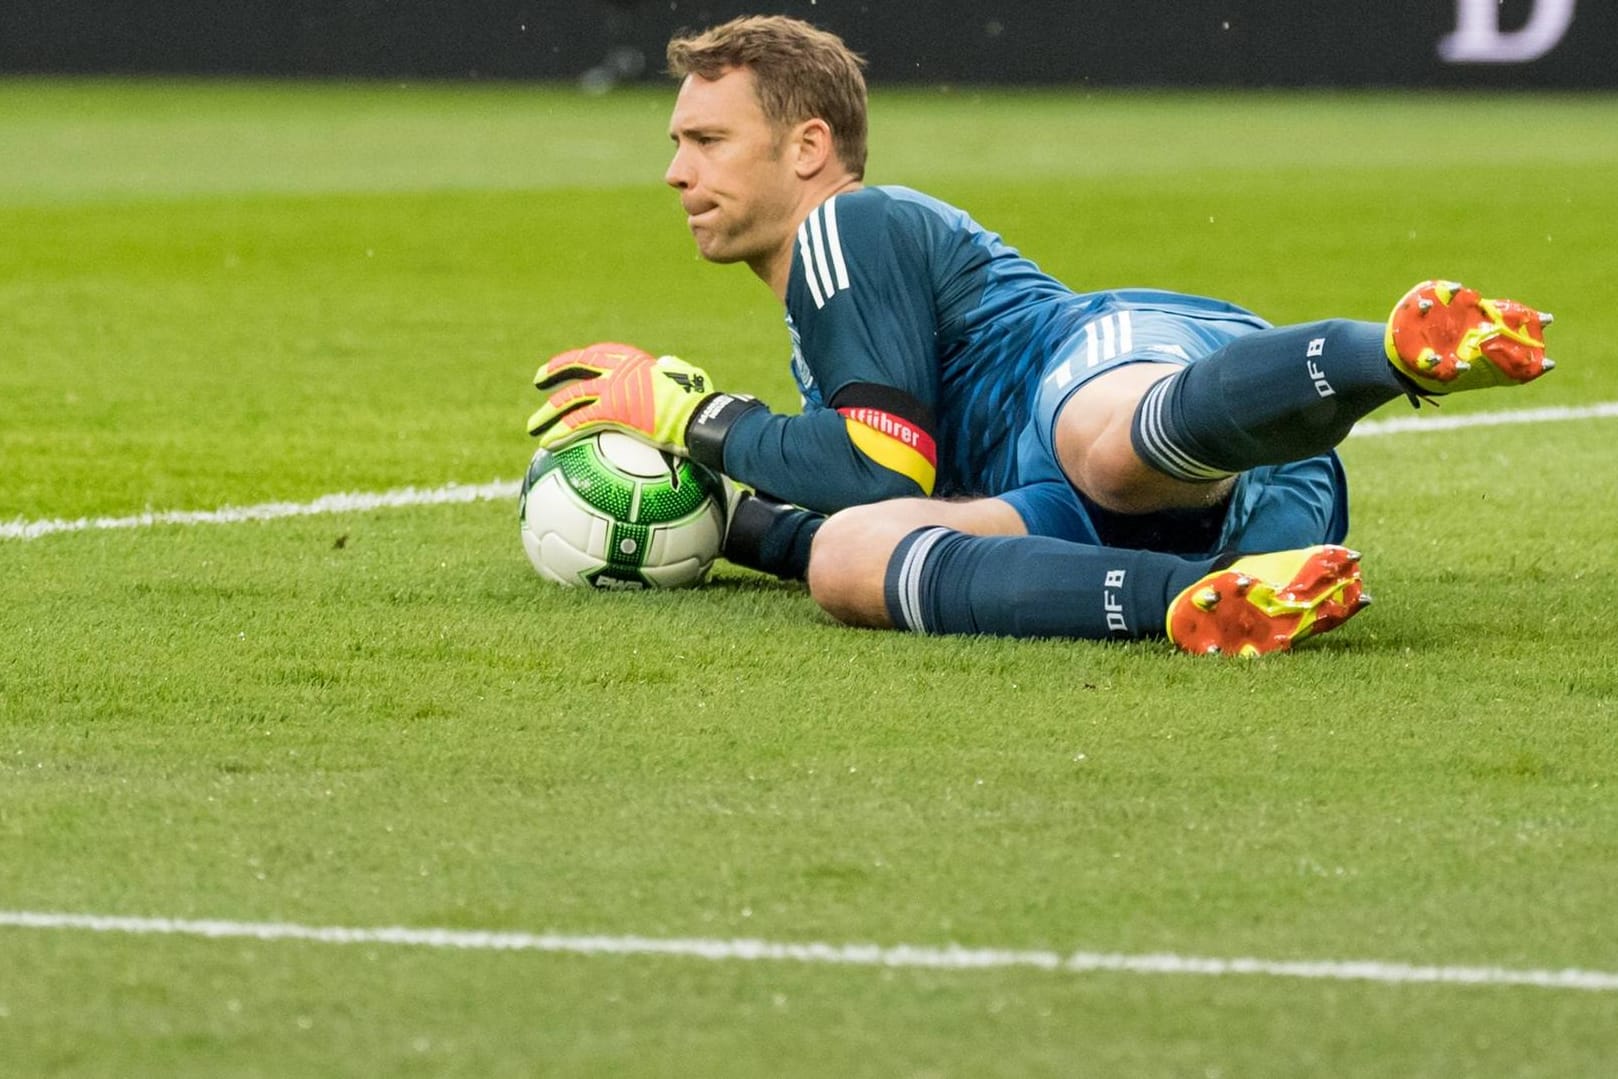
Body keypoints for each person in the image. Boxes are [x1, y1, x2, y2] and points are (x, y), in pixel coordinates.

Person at [525, 15, 1555, 656]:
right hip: (1203, 506)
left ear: (807, 147)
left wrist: (695, 418)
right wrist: (732, 526)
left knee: (1103, 447)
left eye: (706, 141)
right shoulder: (823, 308)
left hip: (1125, 366)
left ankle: (1392, 348)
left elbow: (883, 460)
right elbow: (889, 499)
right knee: (846, 559)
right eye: (676, 144)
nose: (676, 172)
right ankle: (1203, 601)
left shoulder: (851, 222)